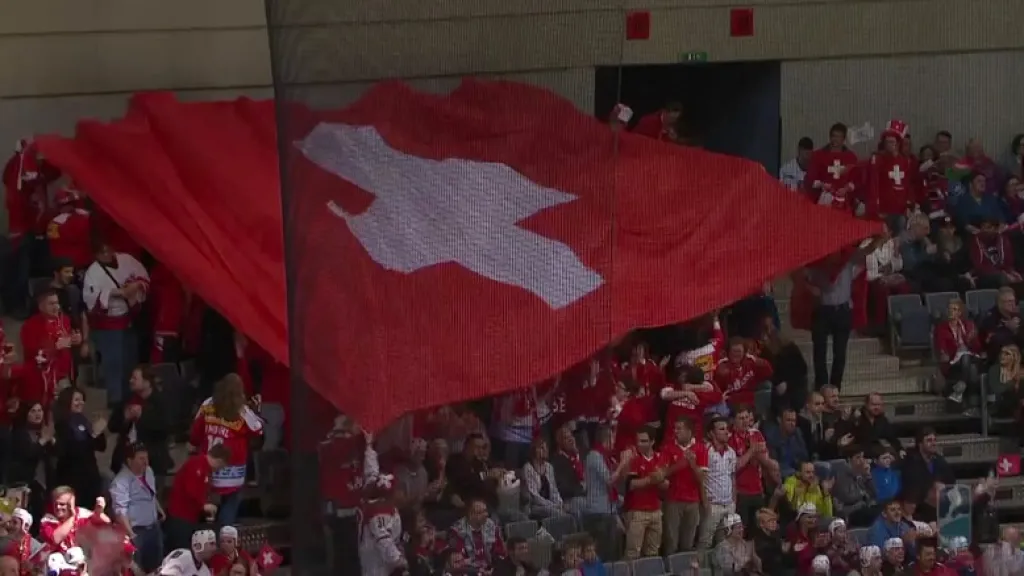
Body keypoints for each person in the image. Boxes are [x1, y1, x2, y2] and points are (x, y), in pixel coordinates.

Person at [804, 233, 887, 390]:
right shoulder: (817, 261)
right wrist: (810, 289)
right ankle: (821, 388)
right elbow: (800, 277)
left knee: (840, 353)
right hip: (822, 310)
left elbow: (867, 250)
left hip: (842, 311)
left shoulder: (848, 258)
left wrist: (879, 238)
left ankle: (835, 389)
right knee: (819, 352)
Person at [82, 240, 150, 410]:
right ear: (96, 254)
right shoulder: (93, 272)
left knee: (130, 359)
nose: (107, 254)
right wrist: (116, 293)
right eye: (102, 252)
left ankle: (132, 395)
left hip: (129, 320)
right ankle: (116, 400)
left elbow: (144, 277)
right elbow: (91, 302)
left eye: (108, 249)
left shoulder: (127, 260)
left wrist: (136, 286)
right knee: (113, 363)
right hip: (108, 325)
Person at [190, 374, 264, 526]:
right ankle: (223, 539)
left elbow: (195, 433)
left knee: (207, 509)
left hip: (209, 467)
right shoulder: (242, 410)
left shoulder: (207, 404)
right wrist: (255, 410)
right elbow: (258, 430)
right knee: (229, 509)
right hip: (232, 471)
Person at [19, 288, 79, 412]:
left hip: (63, 377)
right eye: (51, 304)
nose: (56, 307)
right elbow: (32, 353)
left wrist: (75, 340)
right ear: (41, 306)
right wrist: (55, 347)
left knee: (65, 412)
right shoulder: (30, 326)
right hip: (41, 380)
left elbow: (69, 343)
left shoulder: (65, 321)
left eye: (57, 303)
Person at [109, 442, 166, 573]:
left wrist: (159, 509)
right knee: (137, 569)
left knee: (157, 566)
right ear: (130, 461)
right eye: (141, 459)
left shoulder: (149, 471)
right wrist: (131, 534)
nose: (145, 462)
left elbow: (151, 494)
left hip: (153, 527)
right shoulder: (120, 482)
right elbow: (120, 511)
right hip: (136, 531)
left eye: (146, 458)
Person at [109, 365, 171, 481]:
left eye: (134, 378)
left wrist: (142, 416)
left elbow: (165, 428)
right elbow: (112, 426)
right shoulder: (127, 400)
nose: (130, 381)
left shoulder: (161, 401)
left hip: (152, 461)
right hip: (126, 460)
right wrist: (125, 418)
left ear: (147, 382)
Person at [165, 444, 230, 552]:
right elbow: (191, 489)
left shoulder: (206, 469)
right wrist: (204, 505)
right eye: (222, 466)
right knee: (181, 551)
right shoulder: (196, 464)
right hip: (180, 517)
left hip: (191, 517)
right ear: (219, 461)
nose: (220, 469)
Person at [52, 387, 107, 505]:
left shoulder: (84, 420)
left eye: (82, 400)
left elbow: (101, 447)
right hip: (73, 478)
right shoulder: (62, 424)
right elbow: (72, 451)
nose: (81, 403)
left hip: (90, 476)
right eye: (76, 400)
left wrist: (99, 433)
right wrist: (94, 435)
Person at [660, 416, 707, 554]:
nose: (676, 431)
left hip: (693, 501)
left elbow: (702, 478)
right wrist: (680, 465)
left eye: (679, 428)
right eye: (675, 428)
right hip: (672, 500)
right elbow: (662, 474)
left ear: (689, 431)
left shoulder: (701, 448)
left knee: (688, 544)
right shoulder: (667, 448)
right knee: (671, 542)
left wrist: (692, 464)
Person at [6, 401, 55, 521]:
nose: (37, 414)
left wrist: (52, 442)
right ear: (26, 414)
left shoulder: (44, 431)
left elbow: (56, 455)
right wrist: (43, 441)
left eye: (40, 411)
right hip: (25, 482)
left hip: (44, 481)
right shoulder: (20, 433)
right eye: (33, 411)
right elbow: (27, 454)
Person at [622, 426, 665, 559]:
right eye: (638, 441)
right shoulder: (633, 459)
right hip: (637, 512)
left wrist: (657, 479)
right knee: (633, 553)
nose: (639, 444)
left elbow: (666, 485)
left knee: (653, 552)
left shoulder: (660, 458)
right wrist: (652, 479)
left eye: (644, 441)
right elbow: (632, 484)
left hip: (656, 511)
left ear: (652, 442)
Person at [934, 298, 984, 409]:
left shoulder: (969, 325)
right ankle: (972, 405)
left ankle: (960, 390)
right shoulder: (942, 328)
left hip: (971, 356)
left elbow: (978, 348)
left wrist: (971, 340)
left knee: (967, 358)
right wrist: (943, 353)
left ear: (960, 312)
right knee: (972, 370)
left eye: (955, 309)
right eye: (950, 309)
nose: (952, 312)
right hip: (953, 359)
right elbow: (940, 345)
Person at [803, 123, 860, 209]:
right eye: (833, 136)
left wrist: (846, 189)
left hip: (845, 201)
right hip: (824, 199)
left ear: (844, 139)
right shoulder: (818, 156)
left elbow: (856, 180)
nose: (835, 139)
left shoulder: (851, 157)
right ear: (830, 137)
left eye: (839, 137)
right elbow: (810, 179)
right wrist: (822, 185)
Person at [39, 486, 110, 553]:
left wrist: (99, 512)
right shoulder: (48, 519)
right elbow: (55, 539)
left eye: (62, 504)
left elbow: (107, 522)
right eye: (55, 504)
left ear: (71, 504)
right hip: (55, 561)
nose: (57, 507)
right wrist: (72, 517)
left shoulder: (80, 513)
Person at [521, 437, 566, 519]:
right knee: (556, 513)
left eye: (546, 448)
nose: (545, 450)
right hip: (534, 506)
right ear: (534, 451)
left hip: (550, 505)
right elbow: (534, 496)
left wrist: (560, 503)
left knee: (569, 512)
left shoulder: (549, 467)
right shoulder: (528, 468)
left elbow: (554, 490)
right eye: (542, 448)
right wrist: (552, 505)